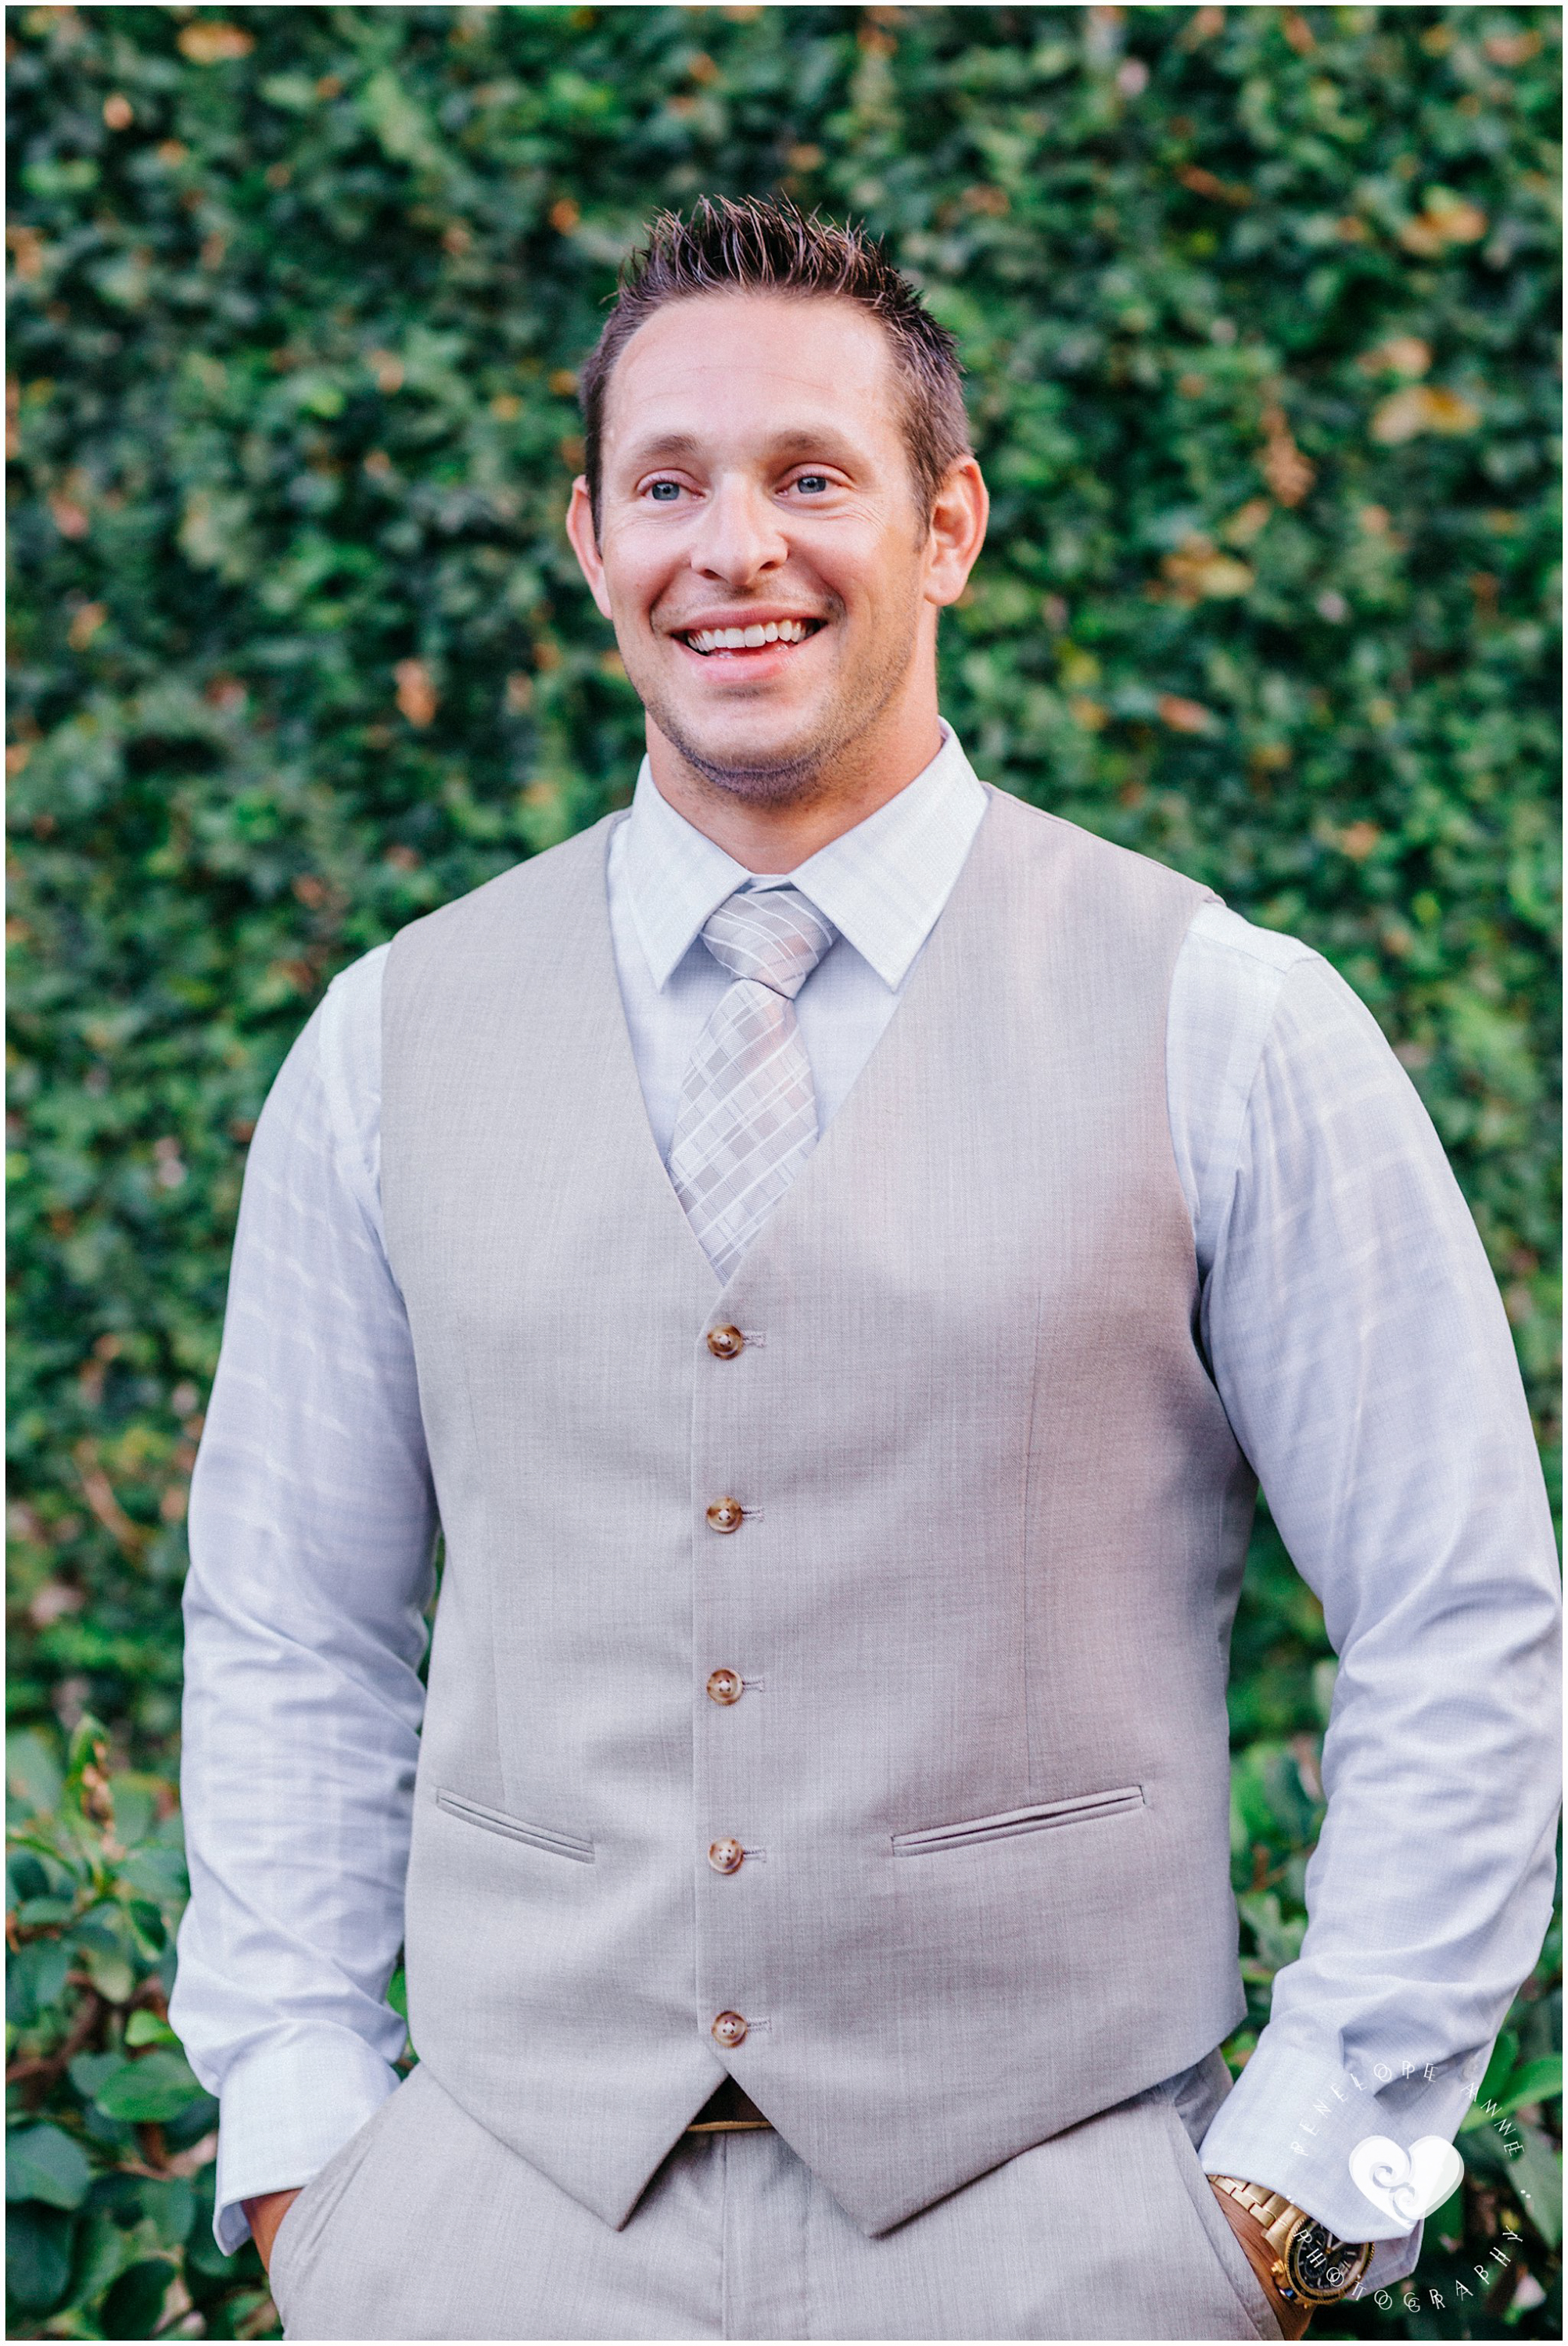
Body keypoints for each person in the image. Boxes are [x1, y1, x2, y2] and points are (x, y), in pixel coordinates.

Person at [171, 197, 1559, 2343]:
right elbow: (290, 1626)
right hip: (496, 2242)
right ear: (590, 539)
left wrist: (1303, 2201)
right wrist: (304, 2161)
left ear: (949, 527)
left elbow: (1466, 1618)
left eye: (812, 476)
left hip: (1072, 2241)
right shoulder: (386, 1045)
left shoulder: (1228, 1017)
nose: (734, 548)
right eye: (669, 484)